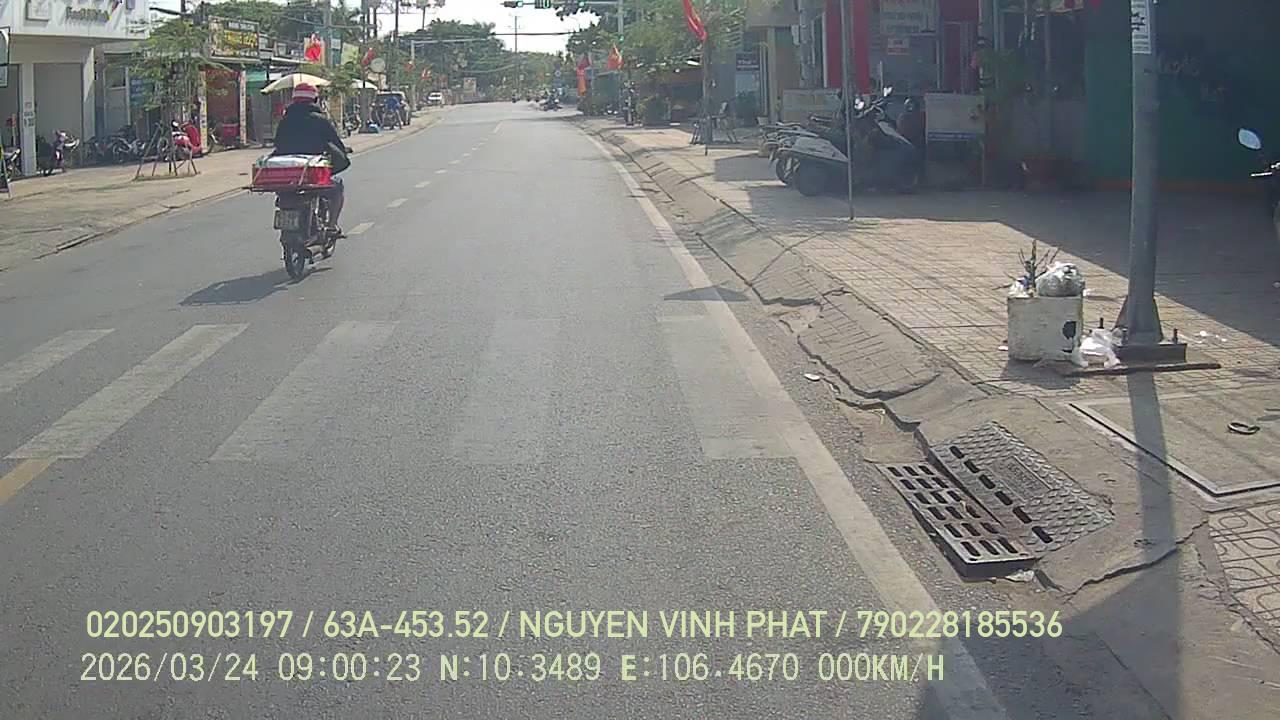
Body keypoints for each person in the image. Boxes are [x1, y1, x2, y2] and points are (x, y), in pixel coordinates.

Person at [273, 83, 348, 233]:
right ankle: (332, 226)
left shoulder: (284, 121)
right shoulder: (320, 120)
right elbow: (335, 142)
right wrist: (342, 152)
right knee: (337, 187)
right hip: (313, 175)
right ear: (315, 100)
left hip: (288, 177)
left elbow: (278, 144)